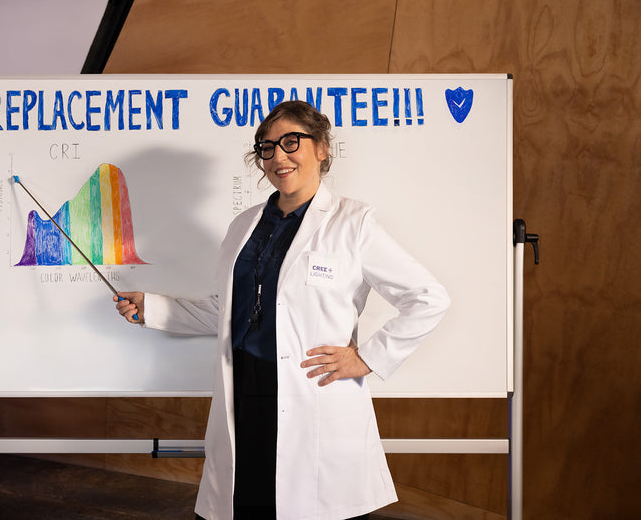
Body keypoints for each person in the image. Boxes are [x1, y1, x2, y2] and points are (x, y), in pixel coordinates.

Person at [114, 100, 450, 520]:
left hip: (310, 393)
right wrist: (155, 308)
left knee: (308, 508)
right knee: (247, 504)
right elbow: (229, 310)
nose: (278, 156)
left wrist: (367, 358)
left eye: (292, 142)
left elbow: (428, 297)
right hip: (245, 390)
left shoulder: (353, 223)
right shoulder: (244, 225)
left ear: (322, 148)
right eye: (267, 147)